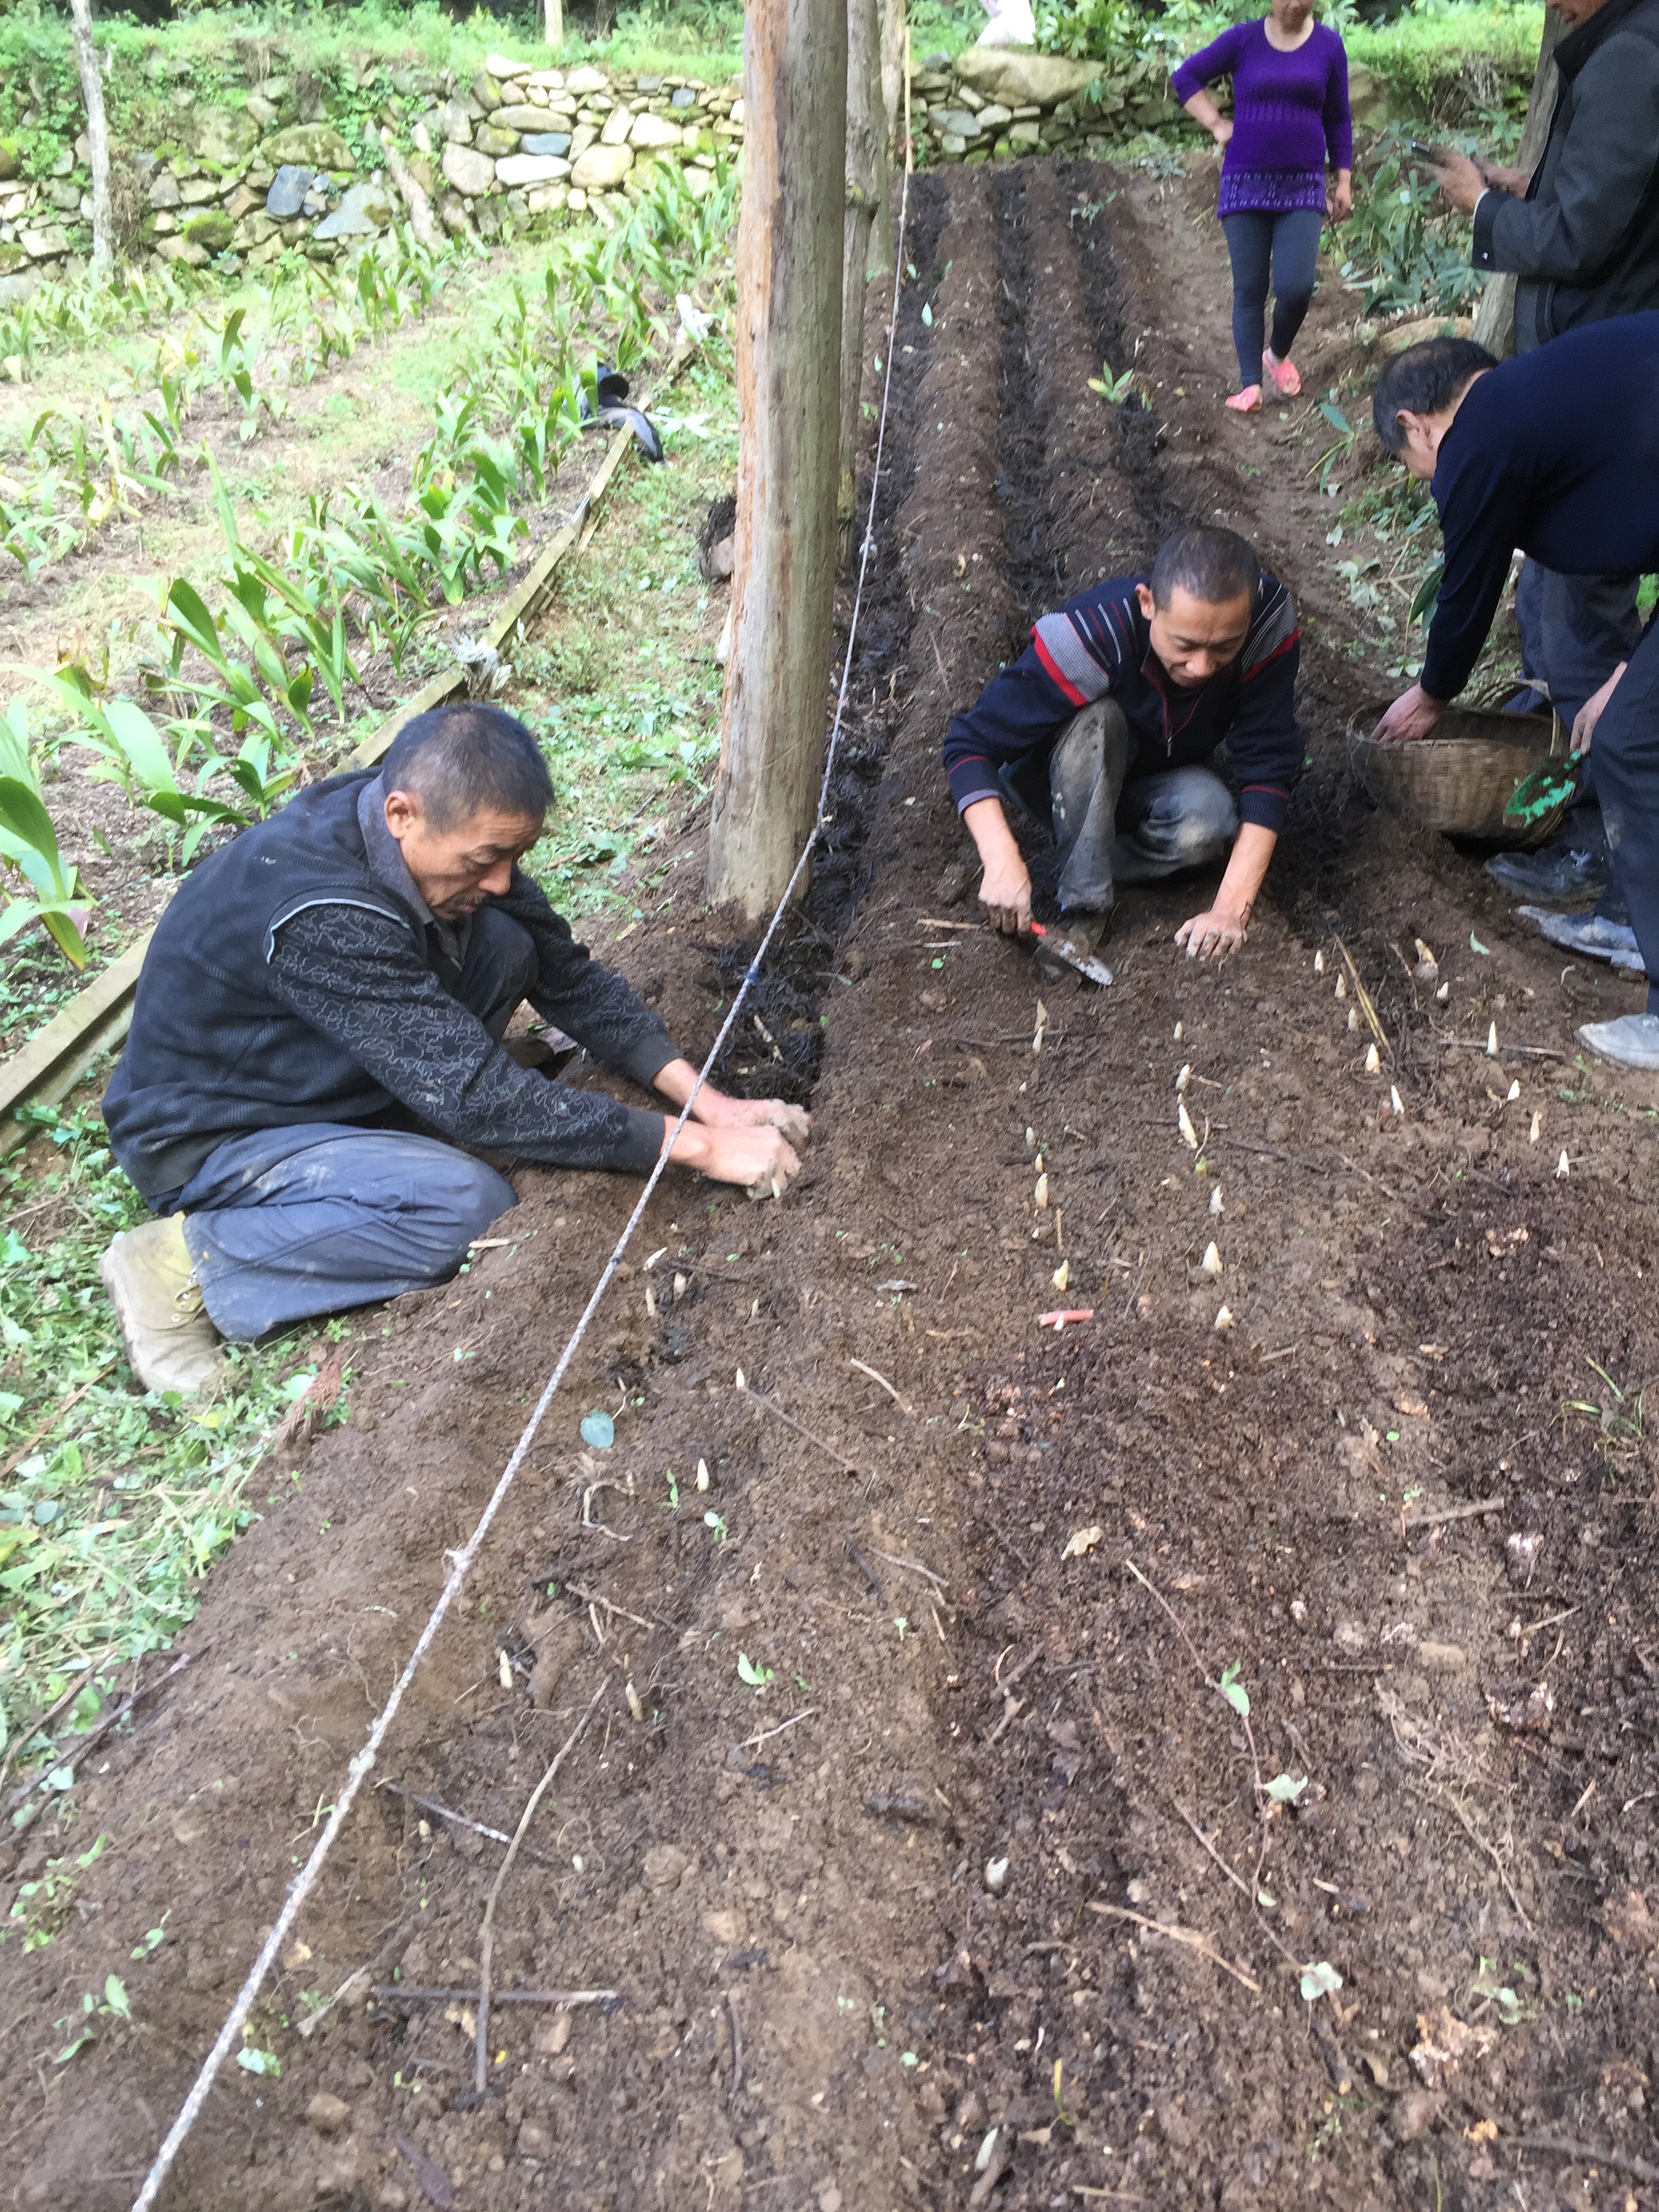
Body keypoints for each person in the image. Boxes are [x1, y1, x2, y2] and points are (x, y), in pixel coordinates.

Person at [98, 704, 809, 1396]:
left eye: (514, 856)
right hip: (219, 1132)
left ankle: (400, 1121)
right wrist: (705, 1151)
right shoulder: (324, 912)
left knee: (508, 944)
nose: (501, 879)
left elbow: (567, 975)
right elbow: (481, 1101)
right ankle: (183, 1261)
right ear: (403, 813)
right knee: (462, 1204)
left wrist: (716, 1108)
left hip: (304, 1063)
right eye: (487, 859)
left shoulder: (430, 820)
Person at [1368, 323, 1659, 1069]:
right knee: (1631, 722)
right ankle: (1629, 913)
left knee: (1630, 739)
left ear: (1414, 424)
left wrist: (1432, 696)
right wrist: (1628, 675)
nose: (1433, 484)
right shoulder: (1544, 398)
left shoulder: (1480, 434)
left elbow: (1468, 586)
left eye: (1414, 470)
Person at [1428, 0, 1659, 917]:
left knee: (1578, 629)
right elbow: (1605, 205)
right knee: (1564, 620)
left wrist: (1481, 206)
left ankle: (1607, 864)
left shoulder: (1630, 59)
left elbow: (1581, 239)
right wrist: (1528, 186)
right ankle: (1597, 841)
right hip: (1604, 393)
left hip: (1605, 412)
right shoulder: (1609, 47)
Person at [941, 526, 1301, 965]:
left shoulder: (1266, 624)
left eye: (1225, 647)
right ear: (1149, 604)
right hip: (1058, 776)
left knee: (1210, 820)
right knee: (1099, 720)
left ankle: (1087, 856)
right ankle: (1084, 907)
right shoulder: (1091, 637)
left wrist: (1230, 911)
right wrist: (1001, 859)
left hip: (1152, 778)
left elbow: (1270, 762)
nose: (1203, 667)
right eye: (1184, 646)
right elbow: (970, 744)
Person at [1172, 0, 1353, 414]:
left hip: (1303, 184)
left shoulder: (1329, 46)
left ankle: (1276, 353)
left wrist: (1343, 180)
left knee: (1296, 286)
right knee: (1250, 287)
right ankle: (1250, 384)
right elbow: (1186, 77)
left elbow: (1339, 117)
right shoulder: (1243, 40)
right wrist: (1218, 124)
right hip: (1245, 181)